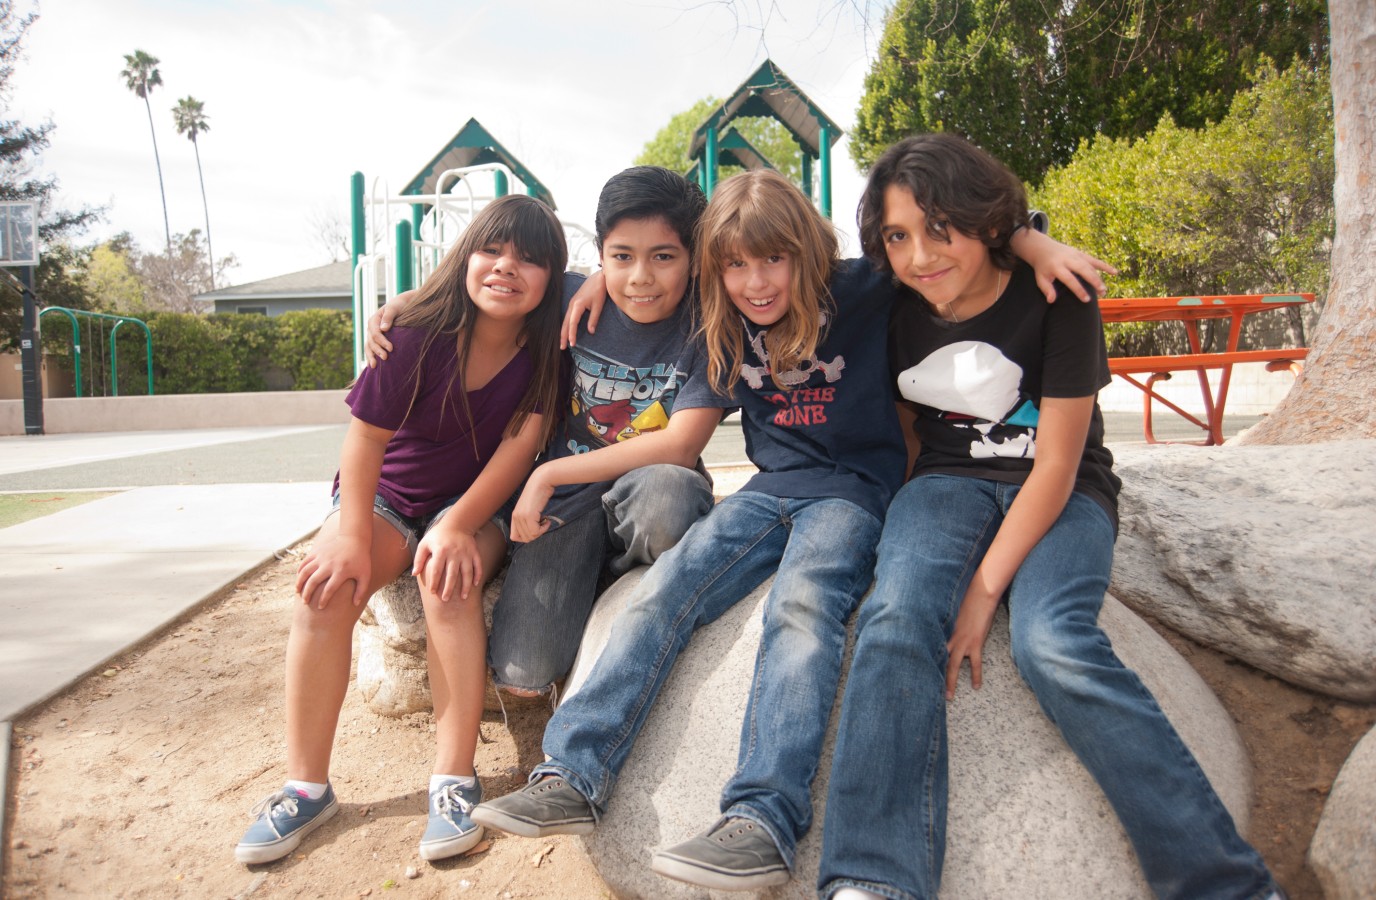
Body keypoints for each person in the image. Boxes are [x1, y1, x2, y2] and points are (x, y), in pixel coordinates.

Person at [469, 169, 1114, 892]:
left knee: (803, 611)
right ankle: (572, 775)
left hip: (856, 496)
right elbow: (625, 277)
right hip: (769, 491)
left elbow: (944, 247)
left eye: (773, 259)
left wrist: (1030, 238)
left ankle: (762, 819)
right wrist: (591, 281)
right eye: (735, 265)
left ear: (809, 249)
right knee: (665, 590)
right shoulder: (720, 312)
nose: (755, 282)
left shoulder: (863, 289)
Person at [816, 133, 1282, 900]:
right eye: (897, 236)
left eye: (941, 228)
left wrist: (983, 589)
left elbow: (1058, 465)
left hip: (1059, 488)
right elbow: (771, 266)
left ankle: (1222, 882)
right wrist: (584, 285)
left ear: (982, 220)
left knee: (1053, 643)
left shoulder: (1057, 295)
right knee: (895, 617)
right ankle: (872, 876)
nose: (921, 255)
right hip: (944, 483)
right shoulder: (890, 303)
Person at [234, 195, 567, 866]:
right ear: (465, 258)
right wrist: (352, 533)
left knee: (448, 576)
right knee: (324, 588)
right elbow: (365, 442)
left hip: (476, 503)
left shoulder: (546, 352)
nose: (507, 268)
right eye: (492, 251)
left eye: (530, 260)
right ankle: (305, 786)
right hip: (386, 497)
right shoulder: (414, 330)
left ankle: (453, 778)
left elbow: (516, 450)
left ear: (552, 279)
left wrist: (460, 526)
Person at [368, 166, 725, 703]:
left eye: (664, 257)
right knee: (523, 674)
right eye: (622, 257)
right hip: (567, 507)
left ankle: (620, 581)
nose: (641, 277)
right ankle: (583, 572)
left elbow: (680, 444)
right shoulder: (568, 295)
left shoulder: (712, 323)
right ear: (601, 254)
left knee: (666, 500)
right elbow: (484, 284)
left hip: (647, 484)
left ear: (693, 257)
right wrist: (400, 306)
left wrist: (548, 472)